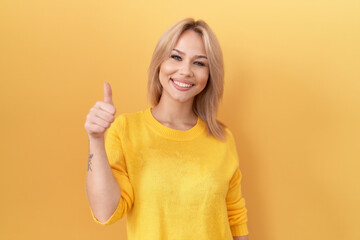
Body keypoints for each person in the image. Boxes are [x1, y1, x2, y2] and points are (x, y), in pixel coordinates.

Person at [84, 18, 249, 240]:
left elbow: (236, 218)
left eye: (199, 63)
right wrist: (95, 139)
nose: (185, 71)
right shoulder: (126, 130)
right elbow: (105, 213)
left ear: (210, 75)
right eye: (176, 57)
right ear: (159, 63)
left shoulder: (222, 138)